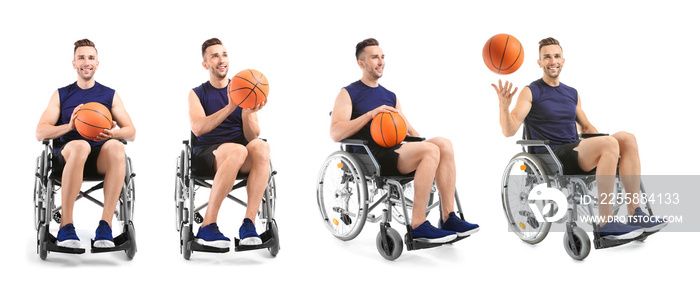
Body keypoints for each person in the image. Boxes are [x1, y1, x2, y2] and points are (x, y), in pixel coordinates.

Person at [493, 37, 667, 239]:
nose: (553, 61)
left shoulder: (571, 93)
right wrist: (504, 107)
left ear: (563, 60)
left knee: (627, 138)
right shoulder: (531, 91)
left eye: (557, 56)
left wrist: (609, 145)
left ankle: (634, 213)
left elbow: (585, 126)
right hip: (552, 155)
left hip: (575, 148)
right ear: (539, 63)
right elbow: (509, 129)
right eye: (547, 57)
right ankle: (605, 223)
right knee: (610, 144)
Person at [330, 38, 479, 243]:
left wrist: (424, 143)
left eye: (382, 57)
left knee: (443, 144)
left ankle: (448, 218)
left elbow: (406, 128)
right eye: (375, 57)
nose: (381, 61)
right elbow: (335, 133)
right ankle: (418, 225)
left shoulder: (390, 95)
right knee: (430, 151)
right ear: (361, 63)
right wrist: (371, 114)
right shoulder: (348, 93)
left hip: (396, 149)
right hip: (372, 156)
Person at [35, 39, 136, 248]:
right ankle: (66, 225)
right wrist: (69, 127)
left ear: (97, 63)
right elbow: (40, 131)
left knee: (118, 147)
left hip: (100, 158)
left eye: (91, 58)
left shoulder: (110, 94)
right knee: (82, 145)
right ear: (74, 63)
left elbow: (131, 131)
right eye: (81, 57)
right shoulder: (62, 94)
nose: (86, 62)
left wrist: (111, 134)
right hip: (69, 156)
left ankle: (105, 226)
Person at [188, 38, 270, 248]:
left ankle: (248, 223)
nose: (221, 60)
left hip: (240, 151)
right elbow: (197, 128)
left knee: (261, 146)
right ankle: (207, 225)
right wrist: (229, 107)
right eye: (214, 56)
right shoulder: (197, 93)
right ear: (205, 64)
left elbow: (252, 136)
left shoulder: (244, 86)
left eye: (224, 54)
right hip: (208, 153)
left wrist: (245, 114)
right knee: (237, 151)